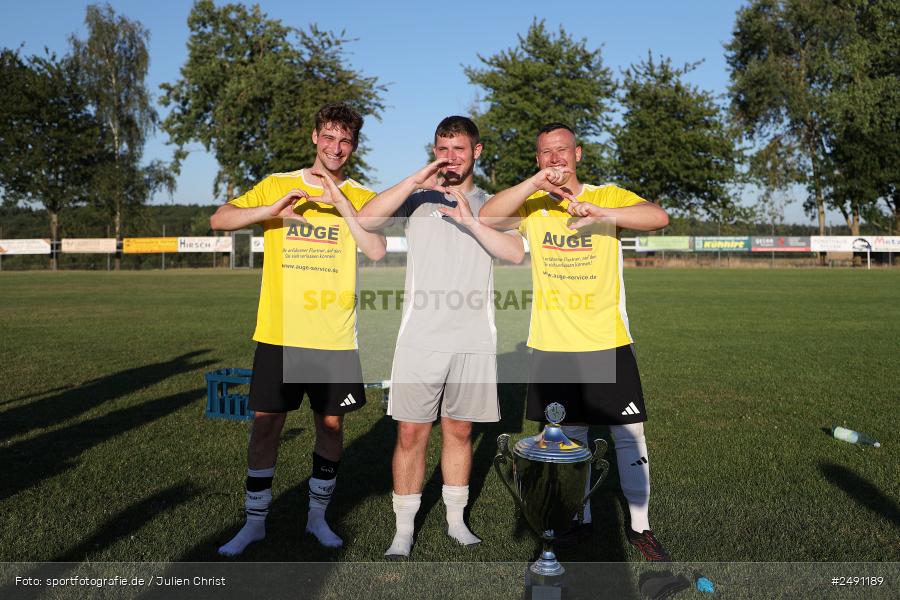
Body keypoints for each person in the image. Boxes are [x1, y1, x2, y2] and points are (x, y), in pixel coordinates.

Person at [479, 123, 672, 561]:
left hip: (607, 339)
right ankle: (578, 523)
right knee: (569, 441)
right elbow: (487, 217)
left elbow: (658, 217)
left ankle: (641, 528)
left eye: (562, 151)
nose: (555, 159)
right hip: (553, 345)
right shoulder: (533, 206)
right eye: (546, 153)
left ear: (578, 154)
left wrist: (600, 213)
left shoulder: (607, 196)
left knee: (629, 435)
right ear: (538, 159)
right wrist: (533, 184)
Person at [210, 103, 386, 556]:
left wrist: (341, 205)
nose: (336, 147)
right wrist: (271, 210)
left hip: (334, 337)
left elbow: (377, 249)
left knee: (330, 426)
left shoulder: (363, 196)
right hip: (279, 333)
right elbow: (220, 219)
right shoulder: (279, 184)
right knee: (266, 426)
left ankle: (317, 518)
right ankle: (254, 524)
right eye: (329, 137)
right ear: (314, 137)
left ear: (354, 146)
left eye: (345, 140)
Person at [358, 116, 525, 558]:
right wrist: (418, 177)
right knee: (411, 434)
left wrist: (471, 222)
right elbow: (368, 220)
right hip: (419, 339)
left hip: (473, 339)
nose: (450, 158)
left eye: (459, 149)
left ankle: (455, 521)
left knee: (460, 430)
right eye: (442, 149)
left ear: (477, 151)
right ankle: (403, 530)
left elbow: (516, 253)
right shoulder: (417, 199)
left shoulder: (492, 204)